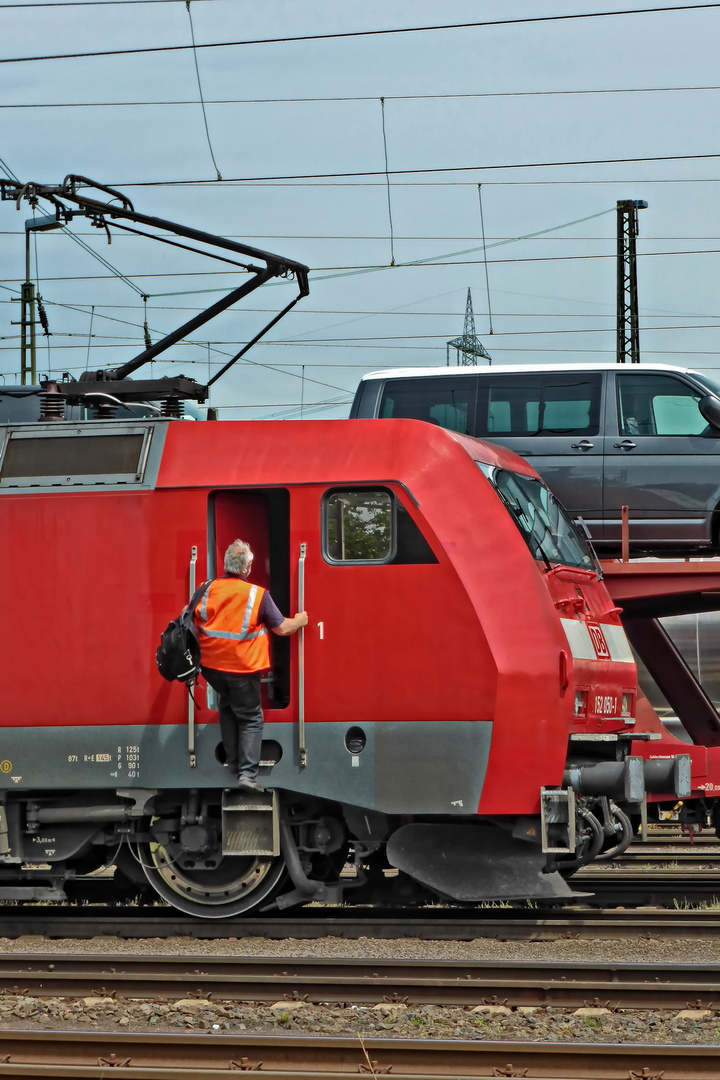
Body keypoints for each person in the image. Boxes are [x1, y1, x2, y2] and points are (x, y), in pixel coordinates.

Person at [194, 539, 308, 793]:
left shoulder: (205, 589)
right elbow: (283, 628)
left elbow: (187, 618)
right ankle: (247, 774)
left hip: (212, 668)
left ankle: (233, 763)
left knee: (227, 707)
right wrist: (300, 619)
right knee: (251, 718)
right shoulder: (256, 594)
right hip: (242, 669)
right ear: (247, 568)